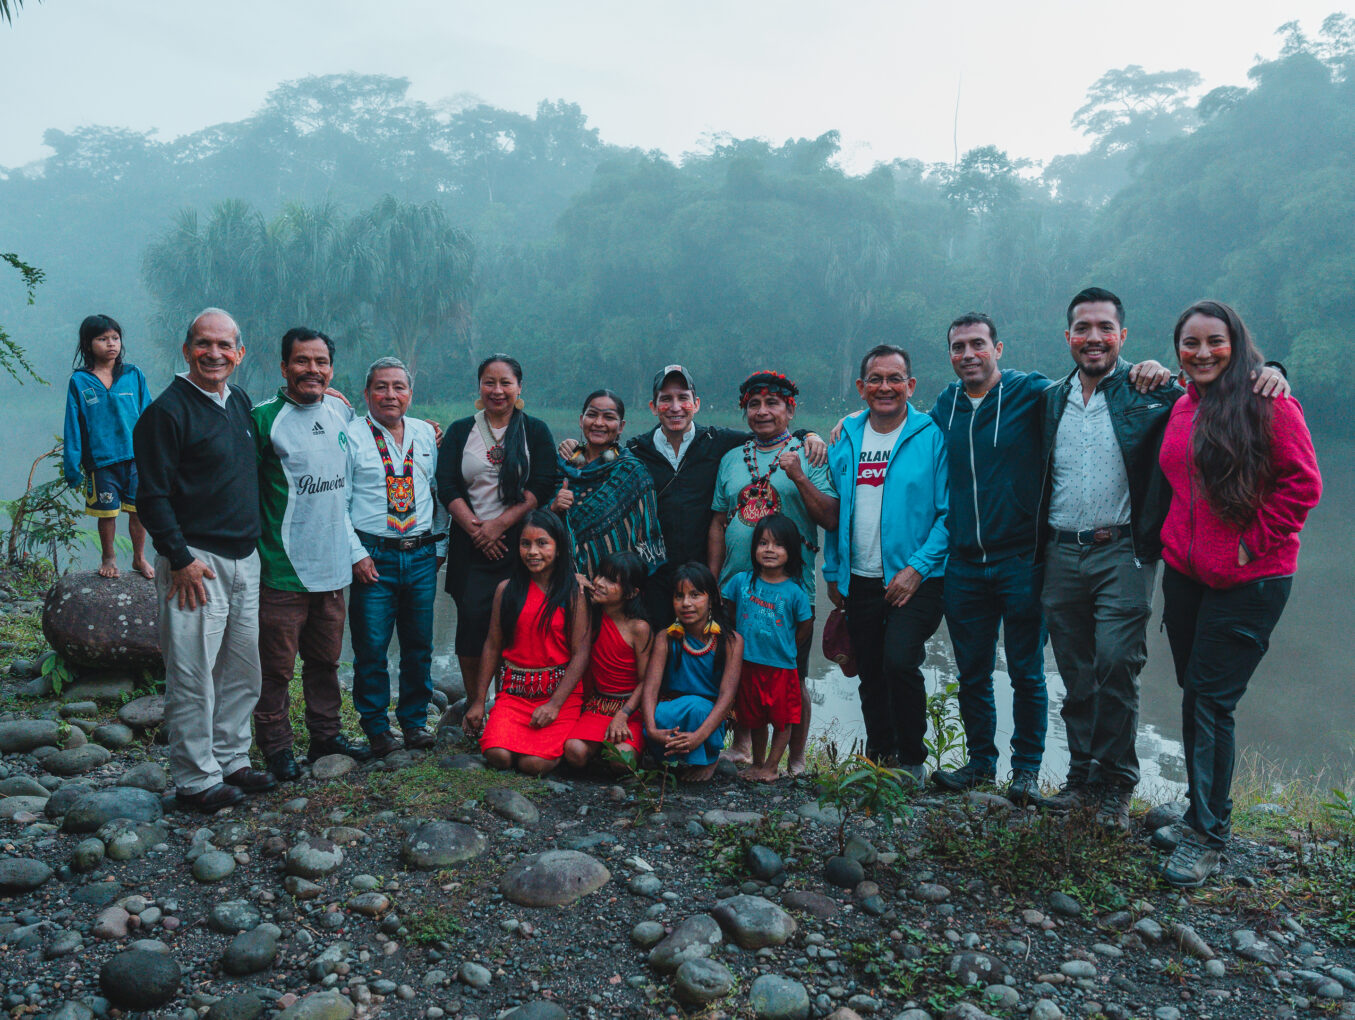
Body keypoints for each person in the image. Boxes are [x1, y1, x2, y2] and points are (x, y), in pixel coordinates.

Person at [1037, 287, 1289, 829]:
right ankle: (1081, 778)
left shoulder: (1150, 391)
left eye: (1105, 328)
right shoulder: (1049, 397)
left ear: (1122, 335)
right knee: (1075, 671)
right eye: (1083, 328)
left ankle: (1116, 784)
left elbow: (1220, 385)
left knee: (1116, 665)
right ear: (1068, 336)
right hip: (1059, 551)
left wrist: (1272, 372)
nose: (1094, 338)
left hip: (1123, 550)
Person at [928, 313, 1174, 803]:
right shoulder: (945, 405)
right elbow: (902, 431)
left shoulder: (1033, 392)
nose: (969, 354)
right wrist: (825, 430)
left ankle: (1025, 770)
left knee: (1026, 671)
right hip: (964, 563)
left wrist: (1151, 370)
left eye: (978, 344)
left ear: (998, 348)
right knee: (971, 671)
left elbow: (1096, 383)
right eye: (958, 347)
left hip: (1022, 559)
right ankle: (980, 764)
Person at [1155, 301, 1320, 886]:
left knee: (1210, 700)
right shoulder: (1182, 403)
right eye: (1190, 343)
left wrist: (1249, 546)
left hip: (1250, 580)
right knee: (1195, 692)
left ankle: (1208, 835)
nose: (1202, 352)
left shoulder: (1268, 402)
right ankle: (1199, 811)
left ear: (1236, 343)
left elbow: (1303, 484)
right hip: (1187, 574)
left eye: (1214, 341)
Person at [133, 308, 276, 812]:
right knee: (193, 674)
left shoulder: (236, 401)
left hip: (244, 557)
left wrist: (330, 401)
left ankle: (231, 758)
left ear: (240, 353)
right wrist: (179, 557)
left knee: (242, 670)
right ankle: (196, 780)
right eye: (203, 343)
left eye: (224, 345)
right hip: (195, 563)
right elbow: (150, 496)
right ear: (186, 349)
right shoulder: (167, 412)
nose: (214, 354)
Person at [823, 344, 948, 784]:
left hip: (917, 577)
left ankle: (912, 759)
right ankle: (879, 758)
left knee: (899, 661)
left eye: (895, 378)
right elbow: (835, 511)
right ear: (861, 387)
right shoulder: (846, 436)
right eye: (875, 379)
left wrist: (917, 569)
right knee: (870, 669)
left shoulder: (930, 435)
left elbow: (948, 514)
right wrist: (833, 571)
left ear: (910, 385)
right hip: (859, 577)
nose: (885, 387)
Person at [617, 365, 827, 627]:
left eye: (683, 398)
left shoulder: (717, 442)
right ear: (653, 406)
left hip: (703, 580)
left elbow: (769, 432)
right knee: (659, 645)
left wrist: (808, 434)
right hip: (655, 578)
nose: (675, 407)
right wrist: (576, 449)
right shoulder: (636, 451)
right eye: (666, 399)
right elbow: (601, 461)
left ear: (696, 404)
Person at [251, 328, 373, 781]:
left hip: (333, 566)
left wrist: (429, 432)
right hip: (282, 569)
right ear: (284, 367)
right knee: (276, 669)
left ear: (332, 370)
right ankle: (277, 747)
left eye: (321, 362)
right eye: (302, 361)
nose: (312, 370)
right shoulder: (262, 419)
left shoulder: (341, 410)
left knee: (325, 662)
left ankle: (325, 735)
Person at [709, 371, 837, 773]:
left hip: (790, 591)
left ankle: (796, 759)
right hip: (736, 587)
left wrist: (797, 475)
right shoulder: (732, 458)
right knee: (740, 670)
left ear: (790, 410)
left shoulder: (811, 453)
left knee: (792, 674)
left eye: (772, 403)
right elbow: (718, 522)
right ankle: (742, 747)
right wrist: (712, 579)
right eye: (754, 404)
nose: (762, 411)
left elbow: (830, 517)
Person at [345, 357, 448, 757]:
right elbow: (339, 502)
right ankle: (376, 727)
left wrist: (440, 546)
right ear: (366, 393)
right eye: (381, 387)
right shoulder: (350, 436)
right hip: (373, 555)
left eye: (398, 387)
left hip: (421, 554)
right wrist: (356, 554)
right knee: (371, 647)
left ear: (410, 394)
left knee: (419, 644)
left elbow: (439, 493)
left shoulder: (425, 434)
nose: (390, 394)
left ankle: (415, 722)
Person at [438, 355, 558, 693]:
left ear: (519, 387)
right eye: (489, 382)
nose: (497, 390)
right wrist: (478, 530)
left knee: (517, 624)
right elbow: (446, 485)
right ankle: (475, 703)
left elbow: (542, 484)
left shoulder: (535, 430)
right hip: (470, 543)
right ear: (479, 386)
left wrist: (499, 526)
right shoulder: (460, 430)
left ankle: (508, 702)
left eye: (506, 383)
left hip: (520, 544)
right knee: (471, 623)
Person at [461, 510, 589, 776]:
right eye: (525, 544)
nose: (533, 552)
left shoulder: (573, 593)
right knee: (497, 755)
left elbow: (581, 654)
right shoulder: (506, 590)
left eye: (542, 543)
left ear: (559, 548)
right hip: (514, 694)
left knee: (534, 764)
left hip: (560, 695)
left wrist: (554, 705)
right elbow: (492, 646)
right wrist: (479, 700)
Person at [63, 314, 155, 579]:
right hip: (101, 461)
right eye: (102, 339)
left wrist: (156, 455)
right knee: (107, 514)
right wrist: (72, 467)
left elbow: (149, 415)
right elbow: (73, 425)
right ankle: (109, 557)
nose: (111, 344)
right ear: (88, 344)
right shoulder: (80, 381)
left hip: (135, 457)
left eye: (115, 338)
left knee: (139, 511)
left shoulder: (133, 375)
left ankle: (139, 557)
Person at [722, 514, 813, 782]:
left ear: (791, 550)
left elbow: (805, 625)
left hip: (781, 667)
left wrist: (788, 646)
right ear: (754, 548)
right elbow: (729, 608)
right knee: (754, 718)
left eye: (778, 544)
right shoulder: (741, 582)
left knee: (782, 720)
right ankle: (758, 763)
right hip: (749, 664)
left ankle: (772, 767)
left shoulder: (795, 591)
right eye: (763, 543)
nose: (770, 550)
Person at [640, 562, 743, 782]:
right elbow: (650, 689)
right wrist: (651, 728)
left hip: (708, 717)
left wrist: (698, 736)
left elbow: (727, 696)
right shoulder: (665, 637)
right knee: (659, 715)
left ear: (712, 599)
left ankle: (708, 759)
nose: (686, 603)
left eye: (695, 595)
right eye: (679, 596)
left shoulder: (731, 641)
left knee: (697, 708)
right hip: (672, 711)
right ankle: (670, 756)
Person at [551, 389, 665, 576]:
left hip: (616, 581)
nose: (598, 423)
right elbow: (537, 523)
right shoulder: (561, 465)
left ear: (621, 426)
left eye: (609, 417)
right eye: (592, 415)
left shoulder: (632, 472)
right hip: (561, 578)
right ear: (581, 420)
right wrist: (554, 508)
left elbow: (647, 537)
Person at [562, 550, 654, 770]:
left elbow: (646, 681)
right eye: (600, 575)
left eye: (611, 581)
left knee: (621, 761)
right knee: (573, 751)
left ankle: (630, 751)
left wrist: (624, 715)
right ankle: (599, 752)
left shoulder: (639, 628)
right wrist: (575, 580)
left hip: (629, 708)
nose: (599, 583)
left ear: (632, 593)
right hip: (598, 705)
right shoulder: (591, 614)